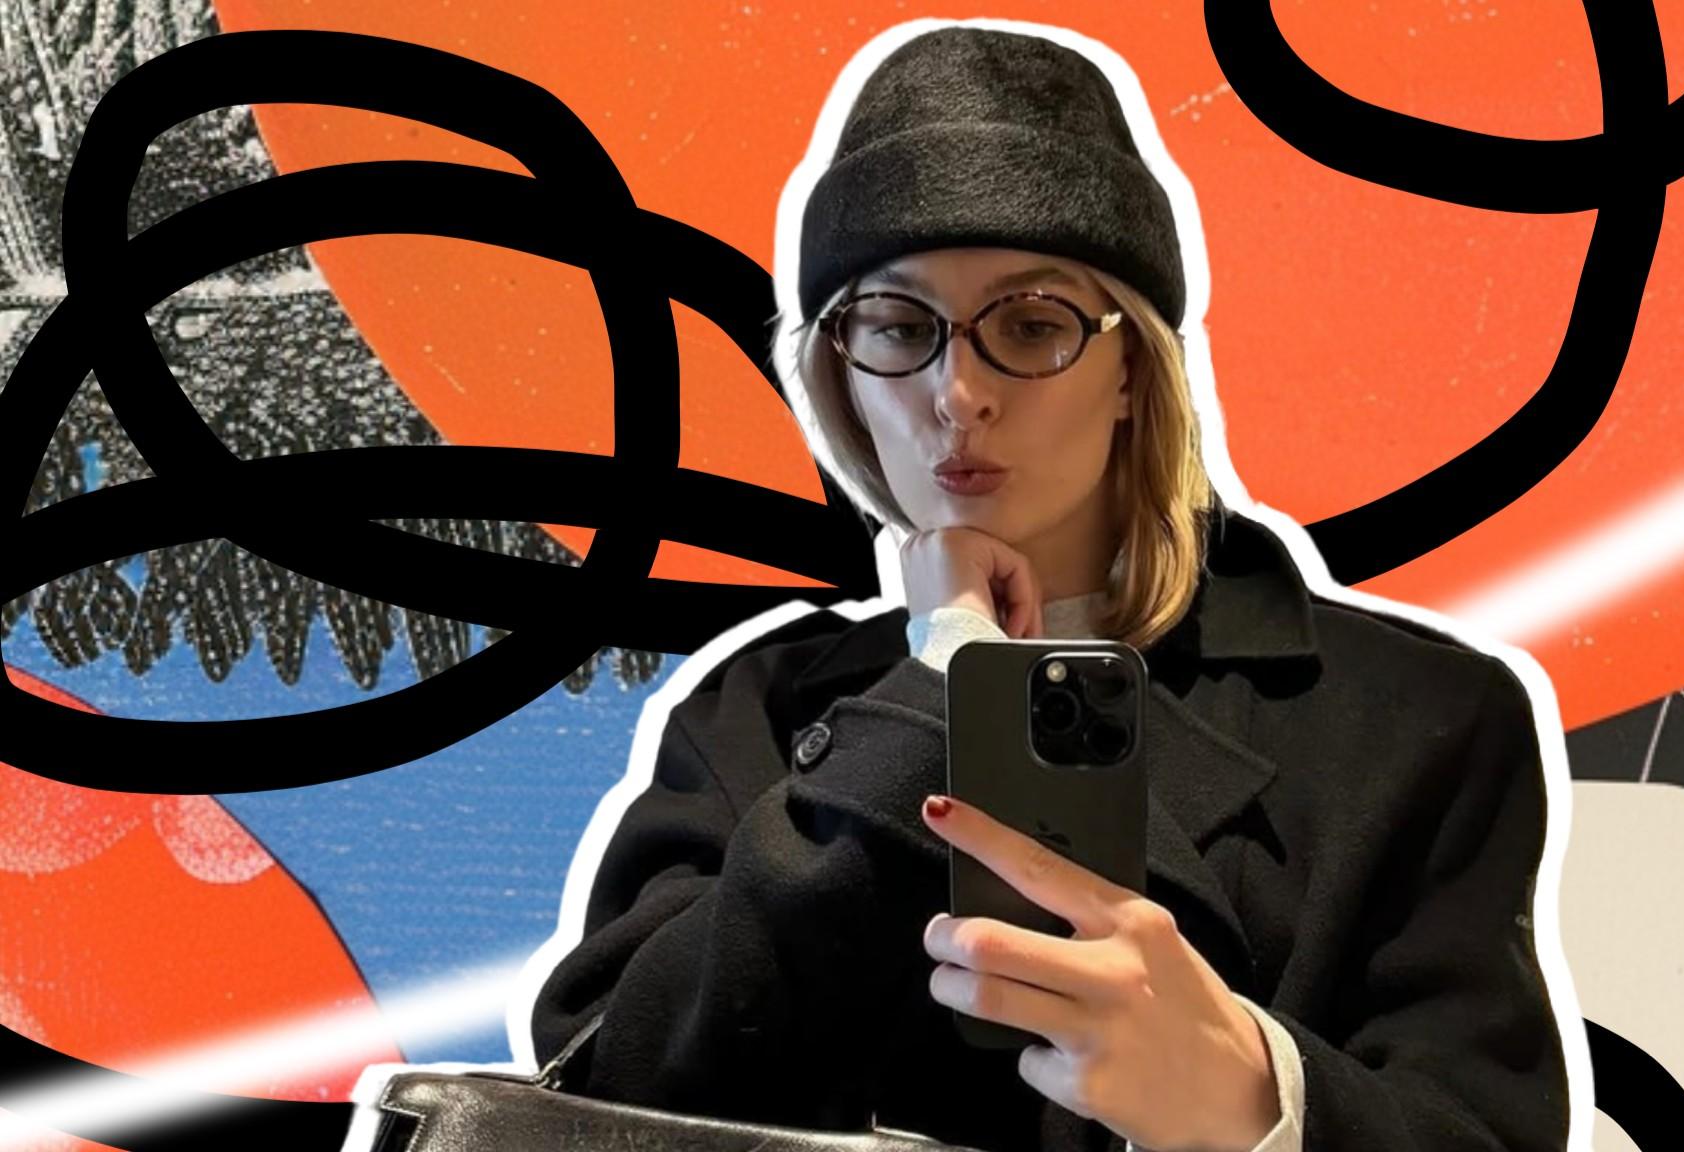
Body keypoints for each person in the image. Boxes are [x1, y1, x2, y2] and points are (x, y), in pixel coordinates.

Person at [529, 24, 1572, 1152]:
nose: (958, 393)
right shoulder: (759, 713)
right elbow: (607, 1090)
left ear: (1133, 366)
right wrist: (942, 679)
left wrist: (1253, 1097)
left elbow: (1485, 1129)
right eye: (898, 328)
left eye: (1031, 326)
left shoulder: (1418, 722)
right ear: (841, 369)